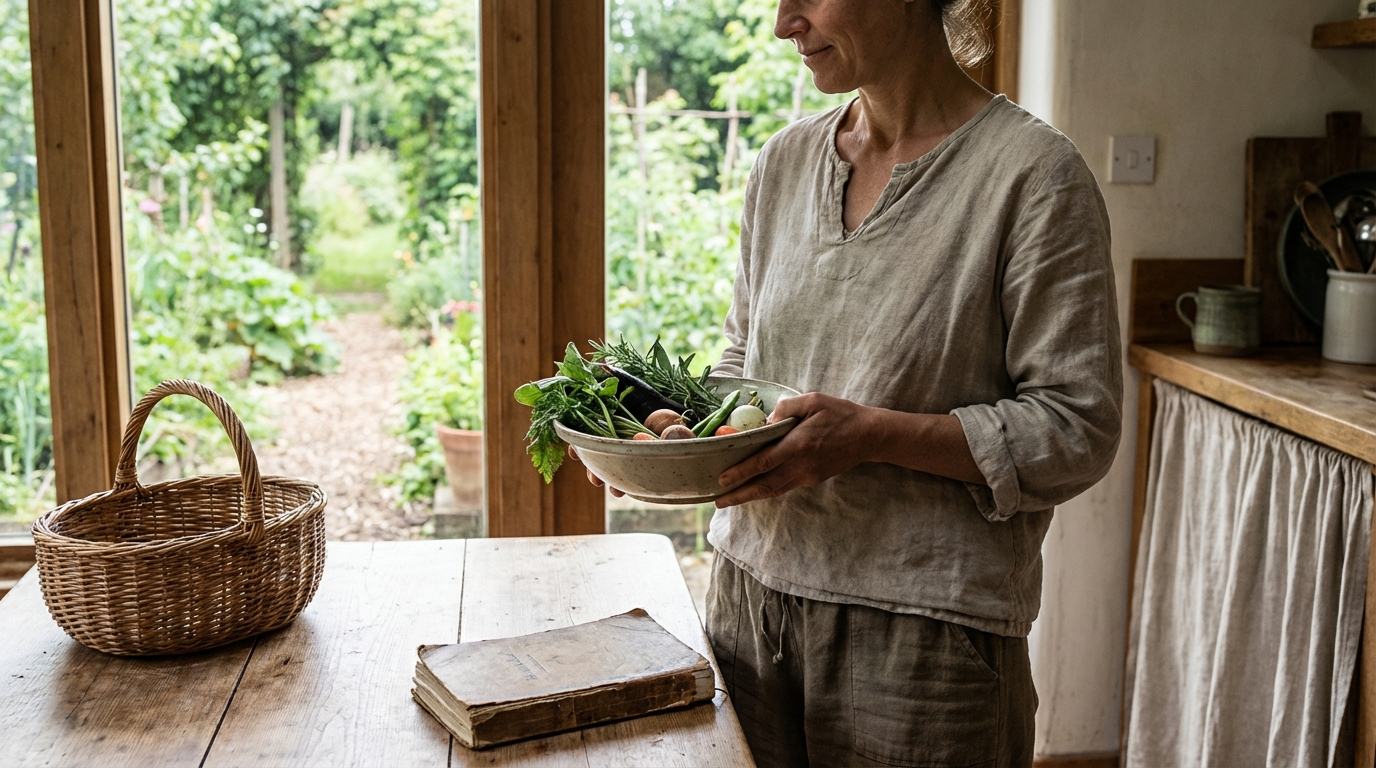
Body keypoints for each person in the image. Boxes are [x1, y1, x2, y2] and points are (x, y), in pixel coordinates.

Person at [590, 0, 1121, 764]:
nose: (785, 22)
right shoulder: (782, 162)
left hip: (927, 637)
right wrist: (670, 448)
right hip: (749, 605)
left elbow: (1077, 429)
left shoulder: (1033, 175)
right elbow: (746, 361)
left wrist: (873, 436)